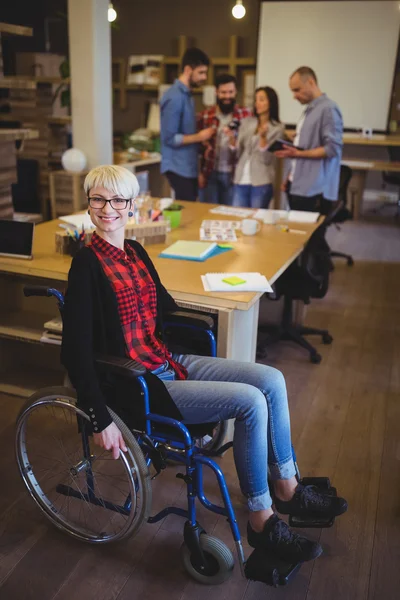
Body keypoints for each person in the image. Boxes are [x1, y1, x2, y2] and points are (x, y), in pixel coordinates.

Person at [61, 165, 347, 572]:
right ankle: (262, 520)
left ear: (133, 206)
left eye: (118, 200)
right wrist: (99, 414)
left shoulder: (136, 252)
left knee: (271, 378)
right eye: (98, 199)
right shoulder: (86, 265)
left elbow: (163, 306)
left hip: (166, 361)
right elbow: (75, 350)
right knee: (250, 403)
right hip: (135, 382)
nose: (108, 208)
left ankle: (288, 485)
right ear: (88, 204)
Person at [275, 66, 343, 213]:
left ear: (311, 82)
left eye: (297, 90)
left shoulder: (328, 109)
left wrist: (297, 154)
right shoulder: (309, 110)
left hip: (314, 190)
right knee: (297, 232)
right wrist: (289, 177)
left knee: (311, 235)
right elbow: (303, 146)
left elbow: (332, 149)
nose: (294, 96)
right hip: (298, 184)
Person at [160, 48, 215, 201]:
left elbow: (185, 132)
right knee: (186, 213)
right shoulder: (175, 97)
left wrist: (201, 140)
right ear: (188, 70)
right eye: (201, 72)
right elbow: (170, 138)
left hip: (188, 166)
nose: (204, 77)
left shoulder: (188, 95)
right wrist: (199, 136)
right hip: (177, 167)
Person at [197, 73, 252, 205]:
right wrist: (199, 173)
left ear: (236, 92)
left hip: (234, 175)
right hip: (209, 173)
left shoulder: (245, 115)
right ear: (216, 92)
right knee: (207, 213)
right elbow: (197, 149)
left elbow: (249, 147)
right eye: (223, 92)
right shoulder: (205, 116)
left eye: (230, 92)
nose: (227, 96)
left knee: (229, 215)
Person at [230, 86, 284, 209]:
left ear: (271, 102)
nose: (257, 103)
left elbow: (267, 159)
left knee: (256, 221)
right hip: (241, 178)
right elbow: (238, 151)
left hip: (261, 180)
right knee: (237, 218)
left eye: (261, 99)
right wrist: (232, 139)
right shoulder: (248, 122)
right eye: (256, 100)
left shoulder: (277, 128)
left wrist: (263, 138)